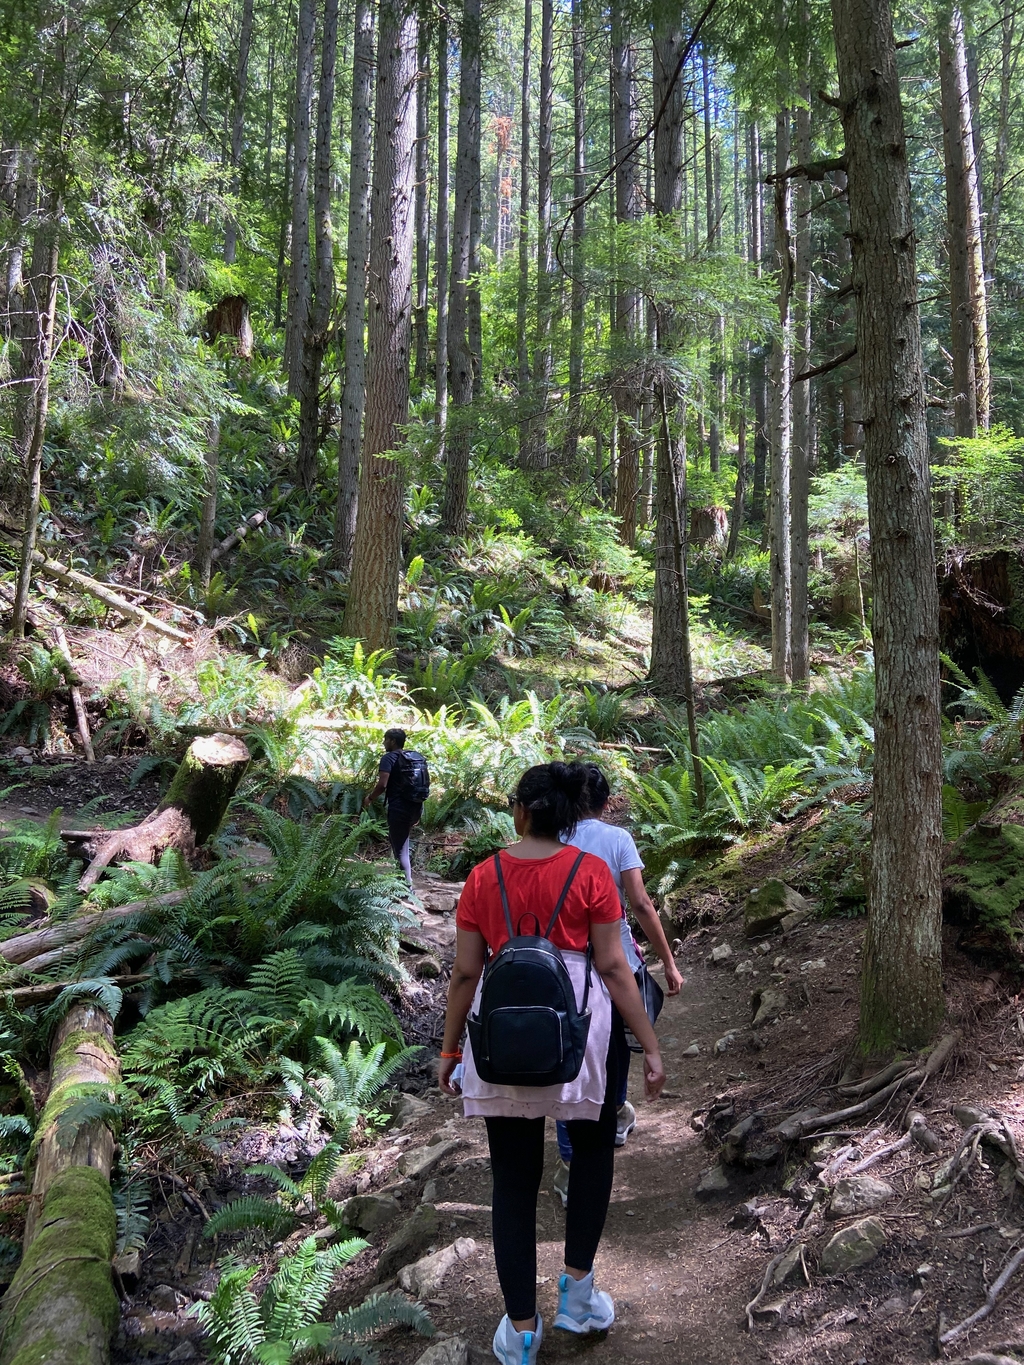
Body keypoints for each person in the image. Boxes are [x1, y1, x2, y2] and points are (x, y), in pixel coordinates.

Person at [439, 761, 665, 1365]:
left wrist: (450, 1048)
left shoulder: (483, 877)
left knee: (512, 1182)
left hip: (501, 1031)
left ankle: (520, 1332)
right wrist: (651, 1042)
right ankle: (578, 1298)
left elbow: (465, 972)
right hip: (582, 1032)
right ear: (569, 816)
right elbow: (615, 968)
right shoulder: (593, 872)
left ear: (520, 811)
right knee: (591, 1156)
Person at [552, 764, 683, 1203]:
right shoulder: (617, 840)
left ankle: (572, 1157)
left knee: (568, 1050)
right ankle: (611, 1116)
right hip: (616, 956)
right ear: (607, 804)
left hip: (563, 962)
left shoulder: (551, 837)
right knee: (616, 1041)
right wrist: (668, 961)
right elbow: (642, 904)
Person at [362, 728, 429, 890]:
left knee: (400, 850)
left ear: (392, 741)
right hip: (415, 807)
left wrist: (369, 798)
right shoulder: (414, 758)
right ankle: (402, 884)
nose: (384, 742)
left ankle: (406, 889)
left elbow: (382, 784)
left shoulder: (389, 758)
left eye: (385, 739)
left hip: (399, 808)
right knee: (400, 843)